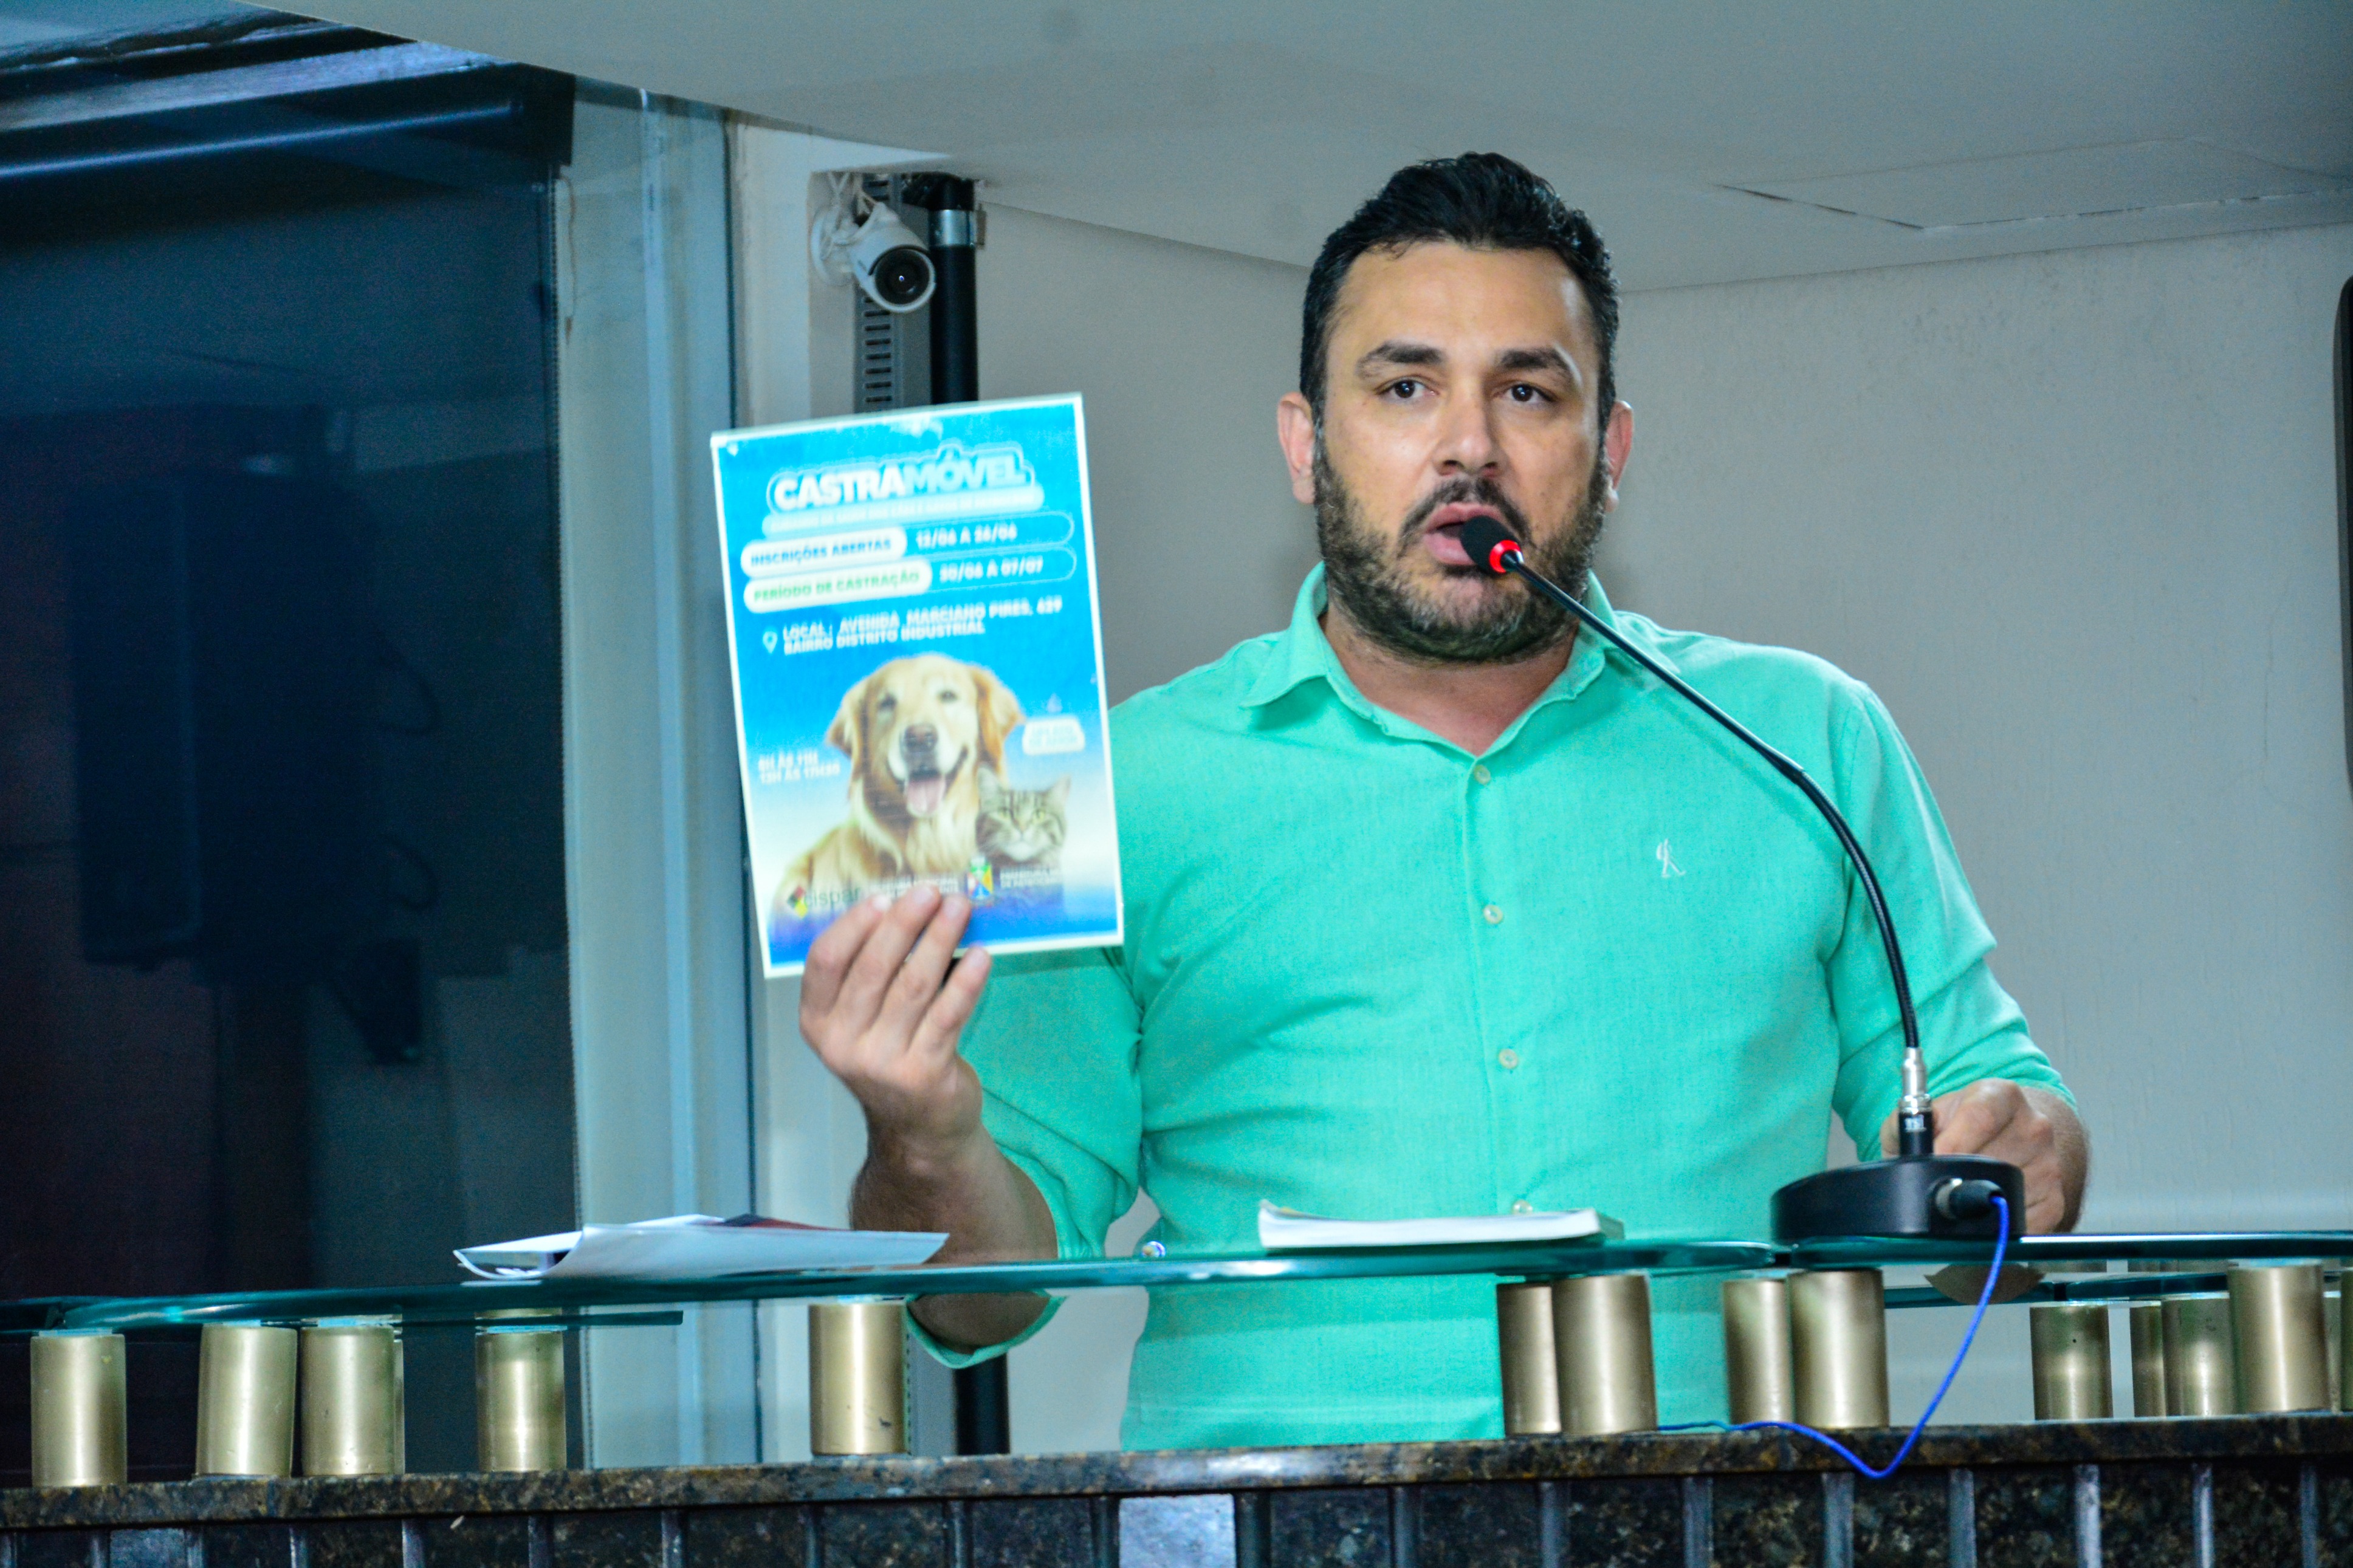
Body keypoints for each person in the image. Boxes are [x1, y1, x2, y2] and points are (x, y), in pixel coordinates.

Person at [799, 153, 2089, 1449]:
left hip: (1711, 1516)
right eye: (1405, 387)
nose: (1469, 445)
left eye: (1527, 391)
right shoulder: (1120, 787)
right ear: (1306, 445)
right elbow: (980, 1301)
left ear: (1609, 450)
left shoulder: (1804, 739)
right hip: (1266, 1524)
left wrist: (2022, 1156)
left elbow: (1997, 1128)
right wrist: (920, 1136)